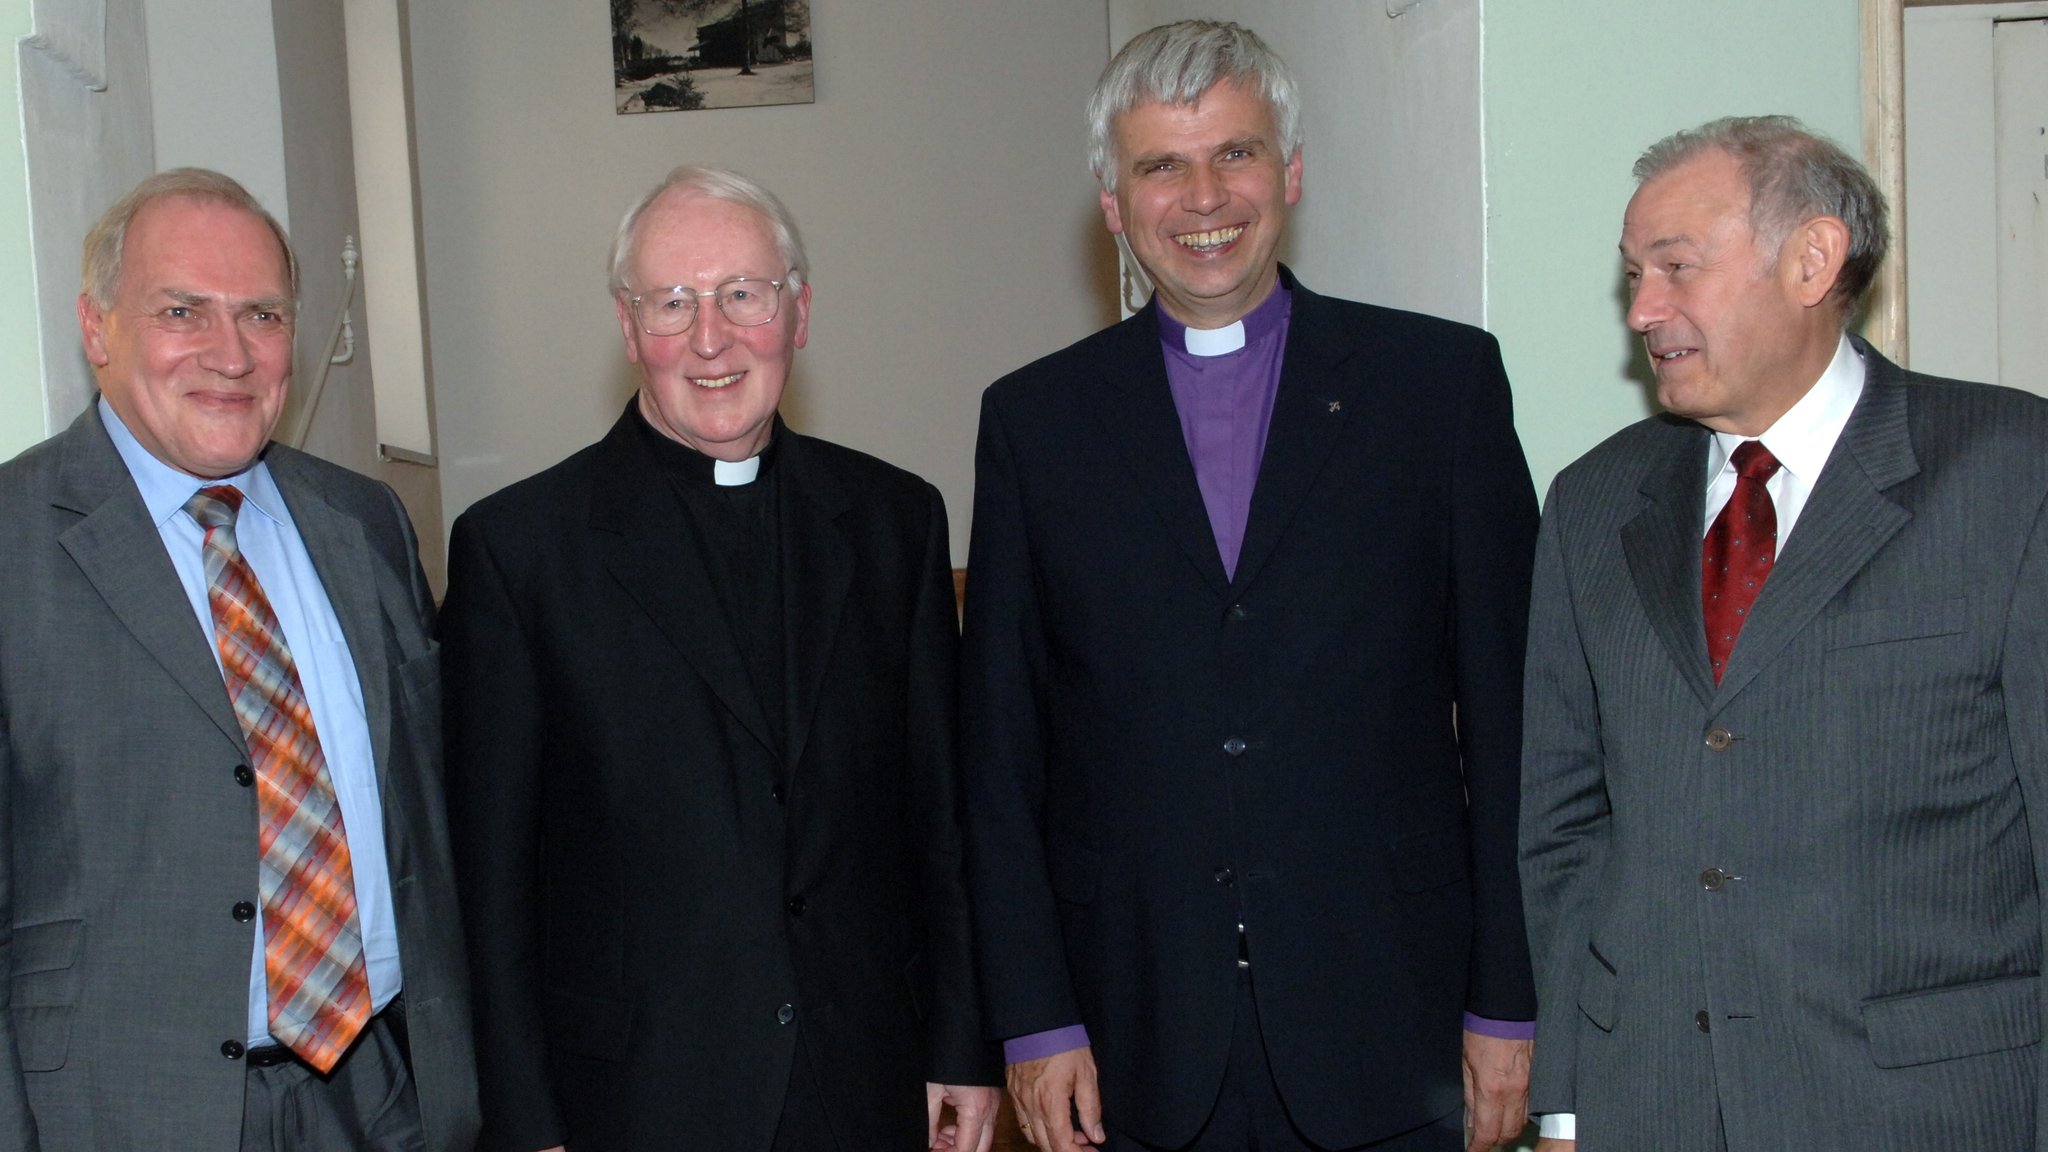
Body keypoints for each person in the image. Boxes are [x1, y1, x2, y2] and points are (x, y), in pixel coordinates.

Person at [961, 21, 1539, 1152]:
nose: (1202, 196)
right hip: (1129, 1037)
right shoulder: (1034, 422)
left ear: (1290, 171)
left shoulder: (1437, 389)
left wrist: (1506, 996)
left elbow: (1517, 724)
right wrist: (1031, 1021)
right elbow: (999, 751)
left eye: (1234, 152)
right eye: (1159, 166)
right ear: (1113, 203)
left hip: (1392, 1026)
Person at [441, 165, 1001, 1152]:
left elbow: (939, 817)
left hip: (863, 1080)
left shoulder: (893, 524)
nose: (710, 337)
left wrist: (960, 1043)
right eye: (671, 302)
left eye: (743, 294)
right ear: (627, 328)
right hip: (637, 1100)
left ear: (798, 312)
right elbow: (494, 883)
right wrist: (525, 1119)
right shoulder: (520, 552)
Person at [1520, 115, 2048, 1151]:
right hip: (1654, 1106)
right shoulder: (1591, 506)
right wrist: (1567, 1101)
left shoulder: (2009, 474)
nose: (1641, 309)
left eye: (1675, 267)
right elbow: (1566, 835)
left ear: (1810, 260)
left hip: (1927, 1111)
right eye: (1632, 273)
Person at [0, 168, 480, 1150]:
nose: (231, 353)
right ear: (98, 330)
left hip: (386, 1097)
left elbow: (430, 816)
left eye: (262, 313)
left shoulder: (364, 521)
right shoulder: (13, 545)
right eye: (184, 310)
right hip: (126, 1114)